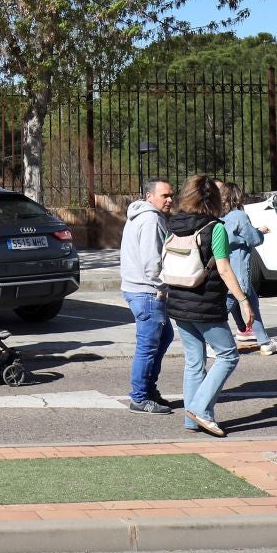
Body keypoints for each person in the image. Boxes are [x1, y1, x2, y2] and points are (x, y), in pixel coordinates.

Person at [163, 174, 254, 438]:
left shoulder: (174, 224)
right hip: (204, 302)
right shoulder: (215, 228)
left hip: (179, 301)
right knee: (228, 355)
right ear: (214, 200)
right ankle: (201, 410)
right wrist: (243, 301)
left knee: (194, 361)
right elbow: (224, 269)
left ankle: (192, 420)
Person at [120, 178, 175, 415]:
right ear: (149, 197)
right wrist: (163, 286)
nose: (170, 199)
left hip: (139, 289)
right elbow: (152, 263)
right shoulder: (151, 219)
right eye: (165, 195)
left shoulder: (141, 216)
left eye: (171, 195)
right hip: (147, 291)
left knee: (163, 337)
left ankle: (148, 390)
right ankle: (140, 397)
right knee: (148, 346)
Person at [220, 182, 277, 355]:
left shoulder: (220, 217)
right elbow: (253, 239)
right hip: (240, 267)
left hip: (225, 266)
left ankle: (264, 341)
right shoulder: (239, 216)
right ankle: (212, 342)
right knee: (227, 304)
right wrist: (261, 231)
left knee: (252, 302)